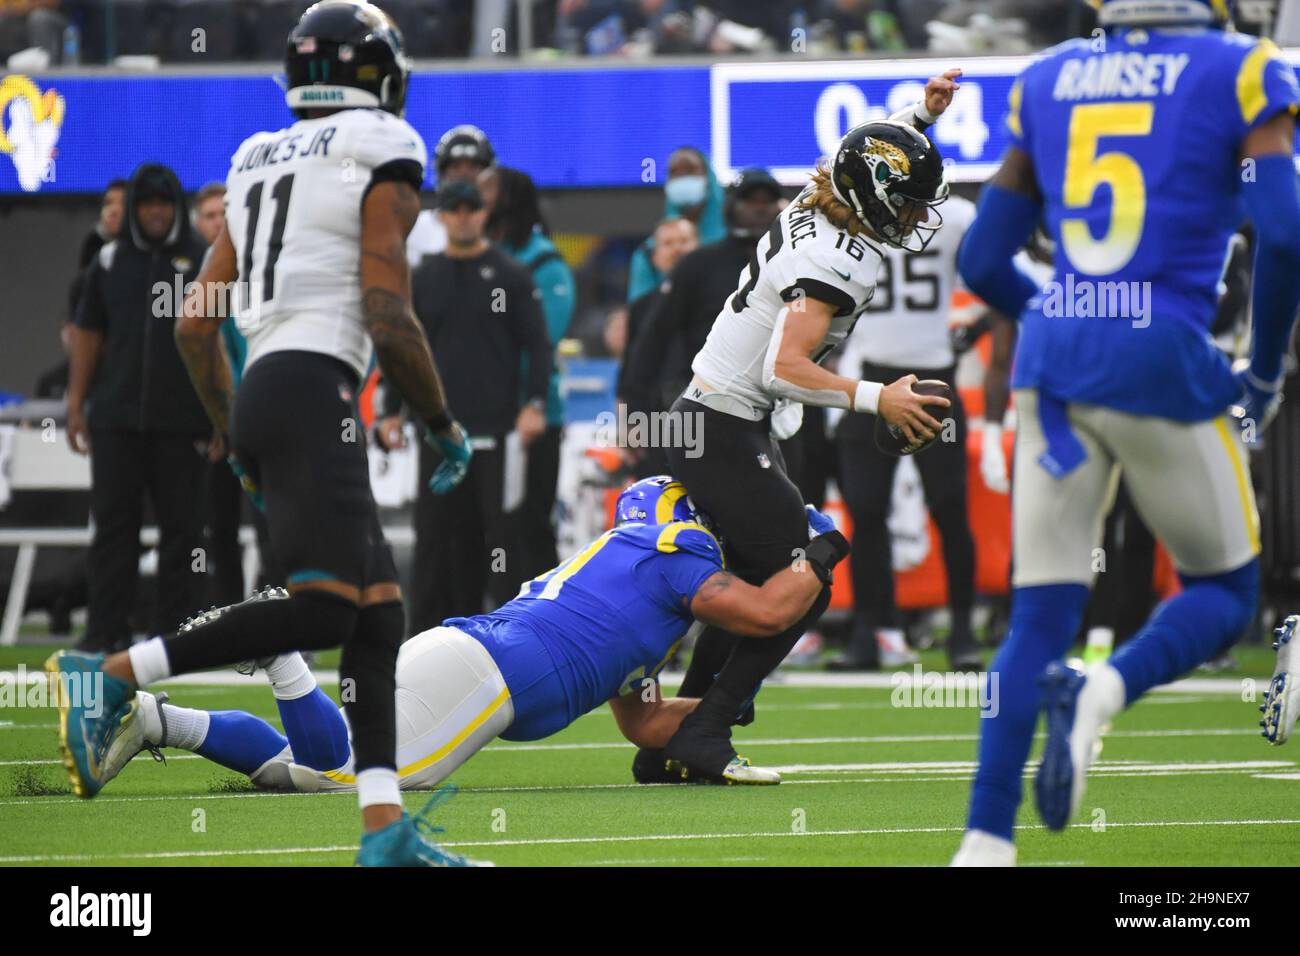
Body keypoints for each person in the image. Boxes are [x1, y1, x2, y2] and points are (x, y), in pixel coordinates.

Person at [48, 0, 477, 868]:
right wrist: (441, 422)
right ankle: (116, 673)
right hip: (318, 385)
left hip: (271, 389)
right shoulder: (384, 145)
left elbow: (194, 326)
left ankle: (384, 830)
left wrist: (235, 432)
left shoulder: (252, 158)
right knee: (326, 608)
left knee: (378, 620)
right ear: (377, 70)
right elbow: (389, 312)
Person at [952, 0, 1300, 866]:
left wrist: (1075, 316)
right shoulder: (1241, 68)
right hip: (1159, 355)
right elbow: (1287, 235)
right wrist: (1259, 374)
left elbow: (984, 261)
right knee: (1224, 594)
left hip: (1054, 358)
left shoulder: (1049, 76)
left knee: (1036, 619)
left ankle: (985, 843)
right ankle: (1104, 692)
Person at [97, 478, 854, 798]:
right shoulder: (674, 551)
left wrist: (713, 709)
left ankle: (163, 721)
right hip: (486, 674)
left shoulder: (647, 593)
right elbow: (764, 613)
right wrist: (819, 548)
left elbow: (644, 723)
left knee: (301, 771)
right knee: (352, 779)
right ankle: (283, 655)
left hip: (465, 658)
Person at [642, 72, 963, 783]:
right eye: (905, 205)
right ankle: (707, 728)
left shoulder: (820, 202)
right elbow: (784, 367)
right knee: (802, 576)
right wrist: (876, 397)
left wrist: (921, 115)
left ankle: (680, 732)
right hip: (724, 423)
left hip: (712, 419)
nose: (914, 218)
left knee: (756, 580)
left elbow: (862, 148)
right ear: (873, 199)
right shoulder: (835, 258)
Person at [828, 193, 984, 673]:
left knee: (950, 506)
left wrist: (972, 332)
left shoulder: (955, 216)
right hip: (869, 377)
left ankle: (961, 630)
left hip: (933, 376)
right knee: (866, 511)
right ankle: (870, 631)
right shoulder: (849, 216)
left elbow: (1001, 275)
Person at [65, 162, 213, 654]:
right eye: (147, 203)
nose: (155, 212)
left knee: (184, 532)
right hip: (116, 419)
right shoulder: (109, 261)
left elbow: (217, 339)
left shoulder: (203, 258)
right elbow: (88, 335)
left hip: (183, 420)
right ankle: (106, 628)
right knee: (113, 528)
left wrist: (219, 412)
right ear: (134, 208)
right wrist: (75, 401)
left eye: (164, 203)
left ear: (176, 206)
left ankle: (177, 630)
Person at [396, 179, 552, 631]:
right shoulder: (423, 278)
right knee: (436, 537)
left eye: (472, 208)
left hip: (497, 431)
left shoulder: (509, 274)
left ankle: (512, 635)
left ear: (484, 214)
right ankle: (425, 639)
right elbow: (403, 347)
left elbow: (537, 346)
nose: (464, 216)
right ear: (442, 215)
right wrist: (391, 408)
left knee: (502, 536)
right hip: (440, 432)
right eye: (455, 209)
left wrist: (535, 404)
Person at [480, 165, 577, 580]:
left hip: (533, 419)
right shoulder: (478, 257)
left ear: (508, 200)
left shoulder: (546, 264)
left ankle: (541, 623)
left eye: (487, 191)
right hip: (482, 416)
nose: (476, 199)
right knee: (489, 532)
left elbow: (540, 340)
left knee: (529, 527)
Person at [191, 181, 251, 607]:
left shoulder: (259, 271)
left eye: (223, 214)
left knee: (279, 526)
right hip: (219, 424)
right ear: (198, 222)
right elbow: (202, 352)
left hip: (264, 417)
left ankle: (284, 623)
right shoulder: (189, 277)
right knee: (218, 526)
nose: (218, 222)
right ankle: (226, 616)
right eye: (210, 215)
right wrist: (217, 418)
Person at [617, 215, 698, 477]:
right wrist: (629, 421)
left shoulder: (718, 302)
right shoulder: (641, 308)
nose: (677, 249)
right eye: (668, 243)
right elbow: (631, 368)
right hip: (654, 422)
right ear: (655, 257)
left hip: (707, 417)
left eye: (684, 241)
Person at [626, 146, 726, 302]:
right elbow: (639, 316)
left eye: (690, 170)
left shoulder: (735, 246)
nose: (682, 177)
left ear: (709, 179)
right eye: (675, 172)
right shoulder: (649, 254)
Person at [405, 123, 494, 266]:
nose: (464, 175)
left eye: (473, 167)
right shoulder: (416, 228)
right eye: (456, 167)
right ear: (441, 174)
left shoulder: (503, 227)